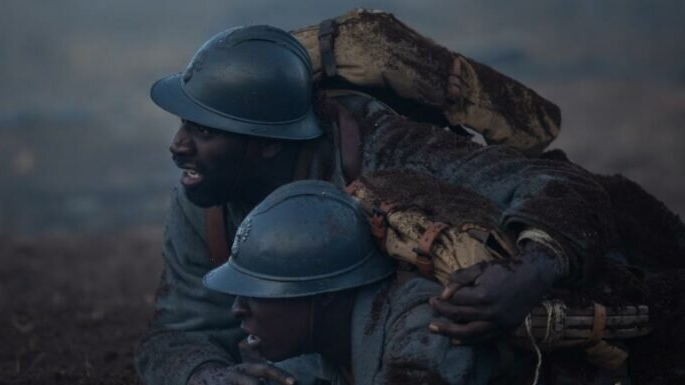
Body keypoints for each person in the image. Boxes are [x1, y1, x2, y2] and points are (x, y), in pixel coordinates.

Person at [135, 24, 618, 385]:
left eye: (203, 130)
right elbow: (177, 331)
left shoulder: (386, 152)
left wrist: (530, 274)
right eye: (184, 124)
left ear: (268, 143)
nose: (177, 147)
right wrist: (205, 377)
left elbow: (556, 183)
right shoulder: (204, 203)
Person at [203, 180, 497, 385]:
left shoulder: (425, 331)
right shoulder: (318, 343)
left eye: (257, 292)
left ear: (324, 293)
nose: (237, 309)